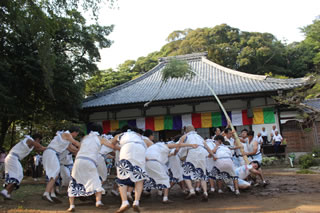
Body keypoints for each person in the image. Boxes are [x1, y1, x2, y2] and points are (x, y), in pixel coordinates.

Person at [67, 123, 118, 212]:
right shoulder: (100, 139)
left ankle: (71, 206)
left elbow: (79, 148)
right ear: (100, 131)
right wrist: (123, 147)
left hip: (78, 160)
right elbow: (112, 146)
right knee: (96, 181)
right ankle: (98, 202)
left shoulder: (85, 138)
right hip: (89, 161)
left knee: (74, 181)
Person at [110, 125, 153, 213]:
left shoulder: (121, 135)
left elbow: (111, 144)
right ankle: (136, 202)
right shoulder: (139, 136)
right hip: (140, 150)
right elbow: (151, 145)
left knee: (122, 176)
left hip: (126, 149)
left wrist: (120, 148)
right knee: (139, 178)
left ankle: (124, 202)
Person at [42, 127, 81, 203]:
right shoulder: (67, 134)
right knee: (54, 174)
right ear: (75, 132)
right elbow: (75, 143)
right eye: (77, 134)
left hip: (51, 154)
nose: (76, 135)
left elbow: (72, 149)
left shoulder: (66, 139)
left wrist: (80, 151)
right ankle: (46, 193)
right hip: (52, 153)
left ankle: (52, 194)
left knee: (53, 174)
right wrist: (85, 146)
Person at [1, 134, 46, 199]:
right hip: (13, 158)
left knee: (15, 175)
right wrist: (52, 148)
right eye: (39, 140)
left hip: (12, 158)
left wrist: (48, 149)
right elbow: (38, 146)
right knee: (17, 175)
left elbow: (39, 149)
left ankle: (7, 194)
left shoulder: (32, 144)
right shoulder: (29, 140)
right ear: (37, 139)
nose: (39, 142)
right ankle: (5, 191)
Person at [177, 125, 214, 202]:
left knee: (186, 173)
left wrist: (188, 146)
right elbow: (207, 147)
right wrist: (212, 155)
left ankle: (192, 190)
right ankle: (205, 193)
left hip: (192, 153)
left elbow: (179, 145)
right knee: (202, 174)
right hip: (202, 154)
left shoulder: (185, 136)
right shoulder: (199, 136)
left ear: (186, 131)